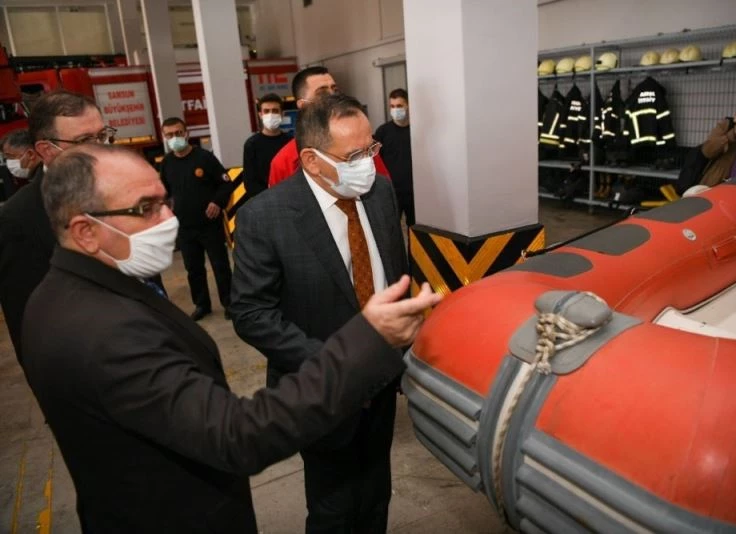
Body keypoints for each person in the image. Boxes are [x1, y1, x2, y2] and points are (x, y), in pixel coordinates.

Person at [22, 143, 441, 533]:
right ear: (85, 231)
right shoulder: (105, 331)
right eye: (145, 208)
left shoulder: (67, 291)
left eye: (166, 202)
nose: (169, 220)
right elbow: (236, 435)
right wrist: (367, 341)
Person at [230, 94, 406, 533]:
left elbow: (391, 273)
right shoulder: (264, 217)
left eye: (371, 149)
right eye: (354, 156)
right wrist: (335, 365)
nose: (368, 164)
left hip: (382, 376)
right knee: (333, 507)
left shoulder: (380, 193)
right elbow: (251, 312)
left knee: (375, 494)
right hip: (319, 385)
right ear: (311, 160)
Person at [0, 90, 114, 362]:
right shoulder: (18, 219)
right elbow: (29, 323)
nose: (99, 148)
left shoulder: (121, 188)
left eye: (102, 136)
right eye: (84, 140)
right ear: (46, 150)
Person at [268, 66, 391, 188]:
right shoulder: (284, 162)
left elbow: (383, 188)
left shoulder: (363, 147)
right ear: (303, 105)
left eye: (335, 90)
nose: (333, 97)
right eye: (322, 93)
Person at [160, 117, 234, 320]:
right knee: (193, 269)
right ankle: (202, 305)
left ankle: (229, 303)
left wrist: (217, 202)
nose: (175, 138)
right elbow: (164, 192)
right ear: (164, 137)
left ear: (186, 133)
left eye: (178, 133)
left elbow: (226, 184)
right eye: (169, 135)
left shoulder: (204, 158)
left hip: (210, 225)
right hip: (184, 227)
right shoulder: (167, 163)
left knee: (220, 266)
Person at [374, 88, 414, 226]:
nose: (395, 109)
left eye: (399, 106)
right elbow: (376, 161)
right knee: (391, 227)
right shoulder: (383, 132)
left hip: (414, 191)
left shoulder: (416, 129)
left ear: (408, 105)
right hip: (391, 191)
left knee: (415, 230)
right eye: (392, 106)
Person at [242, 93, 292, 199]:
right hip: (264, 200)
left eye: (275, 111)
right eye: (266, 111)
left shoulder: (291, 142)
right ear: (260, 114)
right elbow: (250, 182)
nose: (271, 115)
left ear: (282, 114)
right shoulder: (251, 145)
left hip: (290, 196)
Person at [2, 128, 41, 196]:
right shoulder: (35, 178)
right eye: (6, 158)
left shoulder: (45, 181)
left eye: (11, 157)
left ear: (30, 154)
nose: (9, 163)